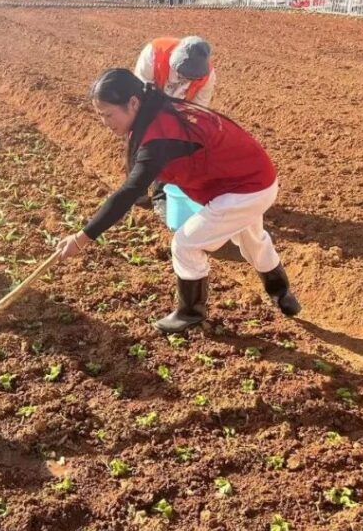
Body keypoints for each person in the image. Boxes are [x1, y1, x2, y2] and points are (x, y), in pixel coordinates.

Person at [55, 69, 301, 333]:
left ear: (133, 103)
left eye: (108, 114)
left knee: (186, 244)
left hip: (246, 188)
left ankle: (190, 314)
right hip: (251, 178)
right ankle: (283, 296)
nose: (105, 122)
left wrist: (82, 238)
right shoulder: (158, 109)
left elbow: (128, 192)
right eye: (100, 115)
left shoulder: (160, 135)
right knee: (251, 238)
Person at [134, 36, 216, 107]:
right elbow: (141, 90)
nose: (184, 79)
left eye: (190, 77)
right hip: (152, 103)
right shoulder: (154, 52)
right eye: (181, 74)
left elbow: (198, 108)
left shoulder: (208, 77)